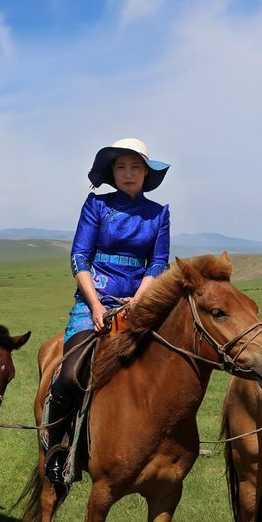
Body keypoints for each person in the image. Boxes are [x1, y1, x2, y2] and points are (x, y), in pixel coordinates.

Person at [42, 137, 172, 484]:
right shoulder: (96, 206)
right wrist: (96, 304)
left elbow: (158, 263)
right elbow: (79, 258)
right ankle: (56, 447)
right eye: (121, 167)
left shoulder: (159, 214)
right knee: (70, 375)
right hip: (94, 301)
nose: (128, 174)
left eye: (136, 167)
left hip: (139, 304)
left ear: (146, 173)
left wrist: (140, 298)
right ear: (112, 173)